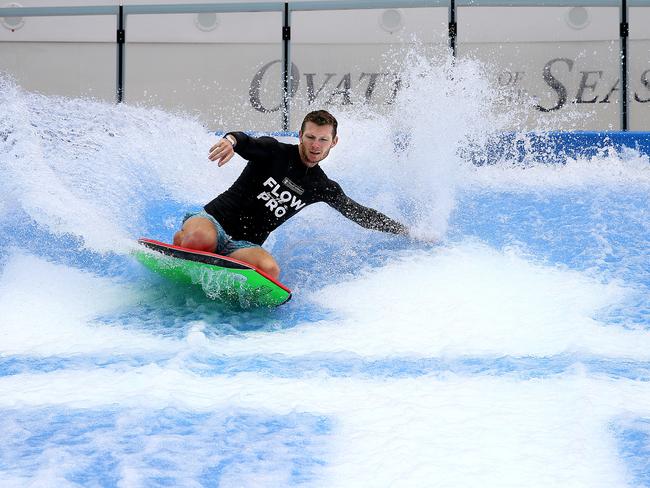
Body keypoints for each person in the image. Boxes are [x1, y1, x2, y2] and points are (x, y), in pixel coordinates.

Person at [173, 110, 408, 280]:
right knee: (200, 240)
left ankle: (214, 257)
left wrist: (406, 231)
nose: (316, 145)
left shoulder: (322, 186)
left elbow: (361, 214)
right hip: (213, 221)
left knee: (270, 270)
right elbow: (246, 141)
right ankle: (184, 238)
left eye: (323, 139)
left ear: (333, 142)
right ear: (300, 135)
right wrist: (231, 141)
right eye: (310, 137)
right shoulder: (274, 151)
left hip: (243, 245)